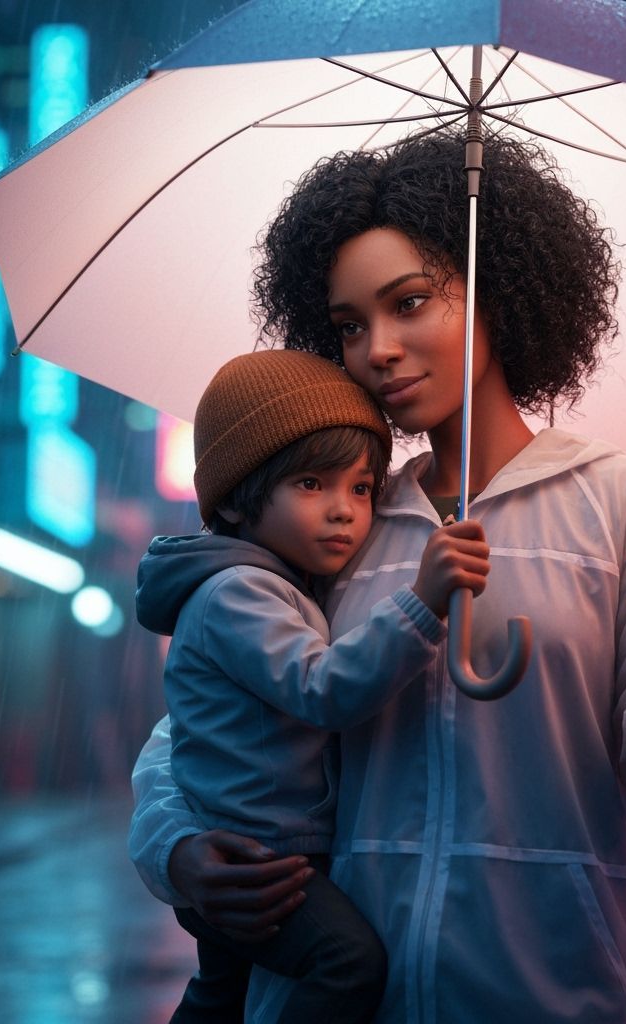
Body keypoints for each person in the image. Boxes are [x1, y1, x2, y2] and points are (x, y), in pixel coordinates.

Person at [130, 129, 626, 1023]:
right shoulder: (341, 523)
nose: (377, 349)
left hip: (555, 994)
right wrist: (178, 848)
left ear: (498, 291)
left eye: (411, 302)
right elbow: (210, 713)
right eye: (350, 326)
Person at [137, 348, 491, 1023]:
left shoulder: (278, 583)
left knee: (220, 997)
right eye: (311, 484)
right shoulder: (239, 592)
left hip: (260, 846)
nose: (344, 512)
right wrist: (422, 602)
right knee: (348, 962)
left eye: (361, 488)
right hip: (260, 857)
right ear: (239, 499)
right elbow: (324, 688)